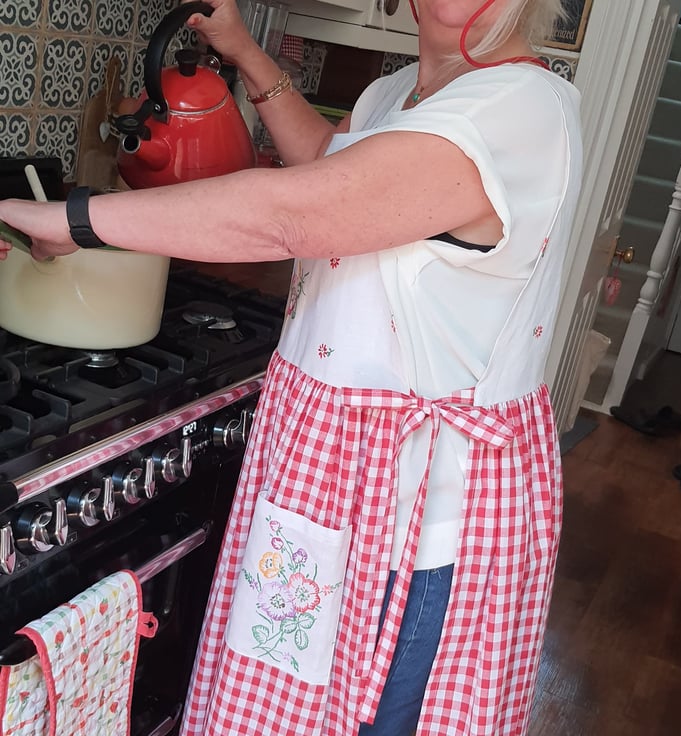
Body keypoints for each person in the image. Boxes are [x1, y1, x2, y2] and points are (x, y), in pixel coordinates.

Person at [0, 0, 582, 732]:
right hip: (325, 479)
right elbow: (327, 165)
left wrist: (74, 221)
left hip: (411, 520)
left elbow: (296, 213)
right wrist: (243, 49)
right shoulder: (397, 92)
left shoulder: (522, 106)